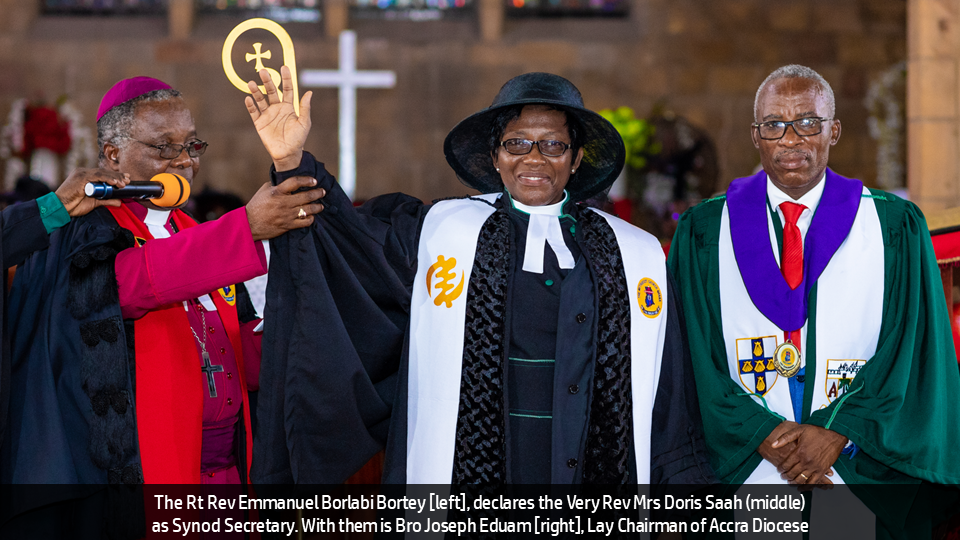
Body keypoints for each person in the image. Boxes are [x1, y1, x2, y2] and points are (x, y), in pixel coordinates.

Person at [247, 68, 714, 486]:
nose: (534, 158)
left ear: (576, 159)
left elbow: (669, 395)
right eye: (516, 143)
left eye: (553, 144)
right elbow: (350, 245)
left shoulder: (635, 253)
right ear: (495, 155)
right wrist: (293, 161)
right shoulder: (439, 231)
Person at [1, 76, 323, 536]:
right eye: (164, 147)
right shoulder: (84, 231)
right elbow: (125, 286)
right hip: (142, 483)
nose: (185, 161)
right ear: (113, 155)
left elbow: (245, 358)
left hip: (225, 477)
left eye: (192, 145)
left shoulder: (193, 232)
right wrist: (243, 229)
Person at [669, 64, 960, 534]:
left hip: (857, 462)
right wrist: (761, 435)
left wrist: (838, 429)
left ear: (834, 130)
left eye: (808, 122)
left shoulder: (894, 227)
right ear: (755, 135)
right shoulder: (704, 230)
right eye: (774, 125)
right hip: (745, 465)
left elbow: (912, 348)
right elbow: (688, 354)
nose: (791, 139)